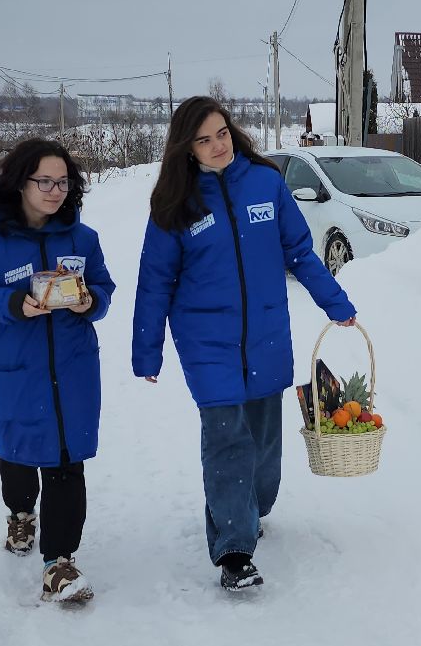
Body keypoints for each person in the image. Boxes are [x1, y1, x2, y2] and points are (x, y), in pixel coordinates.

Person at [133, 96, 356, 591]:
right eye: (204, 140)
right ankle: (234, 549)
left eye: (222, 134)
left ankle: (253, 508)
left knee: (264, 444)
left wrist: (335, 302)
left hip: (266, 334)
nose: (217, 146)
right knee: (227, 438)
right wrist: (147, 349)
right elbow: (154, 282)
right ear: (186, 149)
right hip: (205, 341)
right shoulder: (176, 203)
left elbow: (298, 251)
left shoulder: (265, 182)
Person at [0, 138, 115, 603]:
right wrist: (12, 303)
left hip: (73, 368)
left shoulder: (82, 238)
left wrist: (90, 300)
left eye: (63, 182)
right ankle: (20, 514)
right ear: (20, 181)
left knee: (66, 458)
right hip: (12, 371)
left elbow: (103, 287)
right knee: (18, 453)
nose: (56, 191)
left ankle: (59, 562)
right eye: (45, 181)